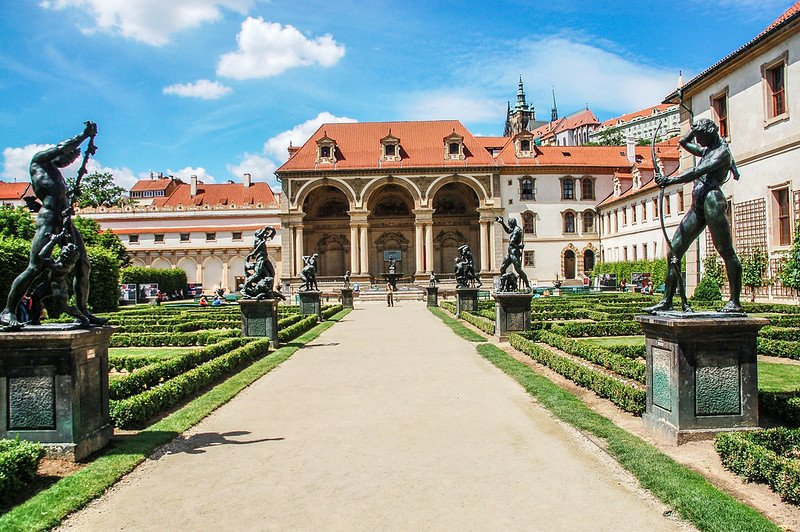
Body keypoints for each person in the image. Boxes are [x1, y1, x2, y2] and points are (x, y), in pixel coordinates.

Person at [0, 122, 106, 329]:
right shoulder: (39, 161)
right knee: (35, 267)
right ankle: (8, 310)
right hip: (48, 220)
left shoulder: (58, 177)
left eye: (73, 159)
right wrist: (85, 136)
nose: (69, 160)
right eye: (68, 157)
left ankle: (83, 311)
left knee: (83, 264)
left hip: (65, 221)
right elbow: (61, 148)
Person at [645, 118, 743, 313]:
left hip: (712, 202)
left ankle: (735, 301)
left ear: (710, 134)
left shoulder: (721, 154)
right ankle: (667, 301)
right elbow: (683, 143)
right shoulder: (706, 150)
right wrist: (693, 129)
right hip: (698, 204)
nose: (697, 141)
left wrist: (669, 179)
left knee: (725, 250)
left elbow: (696, 171)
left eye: (700, 137)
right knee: (674, 251)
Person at [495, 216, 531, 291]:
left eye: (509, 224)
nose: (509, 226)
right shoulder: (514, 228)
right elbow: (508, 231)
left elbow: (511, 243)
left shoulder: (517, 230)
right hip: (510, 253)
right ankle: (502, 287)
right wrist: (502, 223)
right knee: (502, 268)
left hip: (514, 253)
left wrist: (519, 247)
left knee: (518, 270)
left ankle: (527, 285)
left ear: (512, 223)